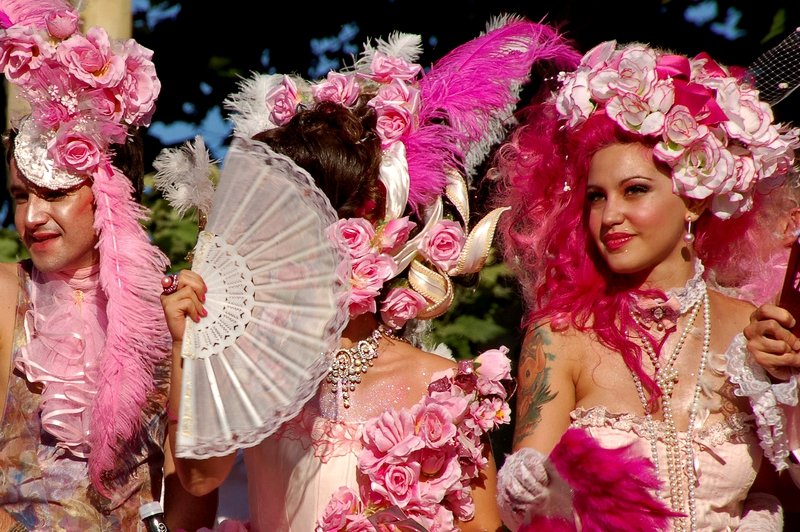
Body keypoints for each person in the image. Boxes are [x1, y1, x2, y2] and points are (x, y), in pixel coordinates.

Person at [158, 16, 579, 531]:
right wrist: (189, 347)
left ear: (372, 230)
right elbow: (199, 480)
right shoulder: (253, 376)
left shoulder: (440, 388)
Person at [490, 38, 799, 531]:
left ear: (695, 199)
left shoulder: (756, 330)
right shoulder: (560, 336)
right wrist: (526, 482)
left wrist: (785, 393)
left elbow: (788, 487)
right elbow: (525, 512)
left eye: (635, 190)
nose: (610, 216)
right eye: (595, 197)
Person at [0, 2, 214, 530]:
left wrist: (185, 350)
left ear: (107, 193)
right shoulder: (7, 295)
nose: (33, 216)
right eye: (20, 196)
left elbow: (191, 509)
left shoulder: (169, 313)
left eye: (54, 193)